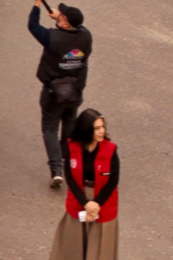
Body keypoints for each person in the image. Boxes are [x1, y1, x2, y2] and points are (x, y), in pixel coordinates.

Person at [28, 0, 94, 189]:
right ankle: (68, 163)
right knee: (68, 126)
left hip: (52, 92)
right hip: (74, 91)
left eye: (63, 15)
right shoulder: (86, 37)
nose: (60, 15)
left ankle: (56, 170)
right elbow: (78, 27)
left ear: (65, 23)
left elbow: (33, 26)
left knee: (49, 128)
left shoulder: (52, 38)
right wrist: (60, 18)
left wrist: (37, 4)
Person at [49, 110, 120, 260]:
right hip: (80, 199)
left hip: (102, 202)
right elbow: (69, 176)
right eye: (96, 128)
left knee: (100, 247)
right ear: (86, 129)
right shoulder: (72, 147)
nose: (102, 131)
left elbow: (113, 180)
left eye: (102, 127)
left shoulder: (110, 150)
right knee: (73, 246)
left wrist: (95, 204)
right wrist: (85, 203)